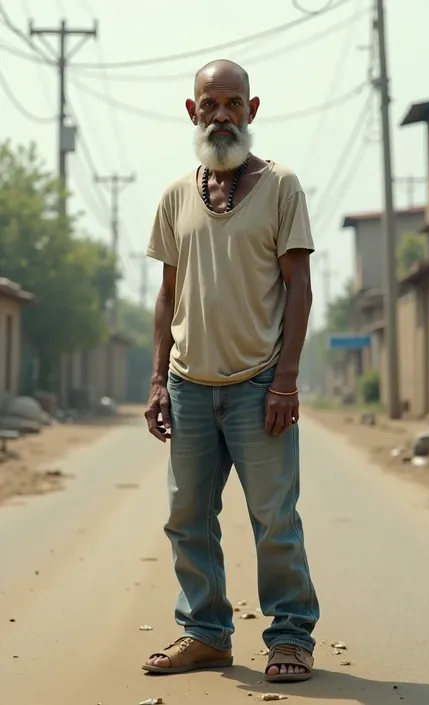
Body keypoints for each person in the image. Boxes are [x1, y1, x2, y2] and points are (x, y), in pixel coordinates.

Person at [143, 59, 319, 683]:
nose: (222, 115)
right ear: (192, 112)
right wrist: (159, 379)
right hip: (191, 387)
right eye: (210, 104)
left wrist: (287, 380)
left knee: (274, 519)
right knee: (187, 517)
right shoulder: (172, 196)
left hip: (258, 385)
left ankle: (291, 637)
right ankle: (206, 633)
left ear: (253, 109)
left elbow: (298, 286)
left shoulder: (281, 185)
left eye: (233, 103)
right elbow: (167, 295)